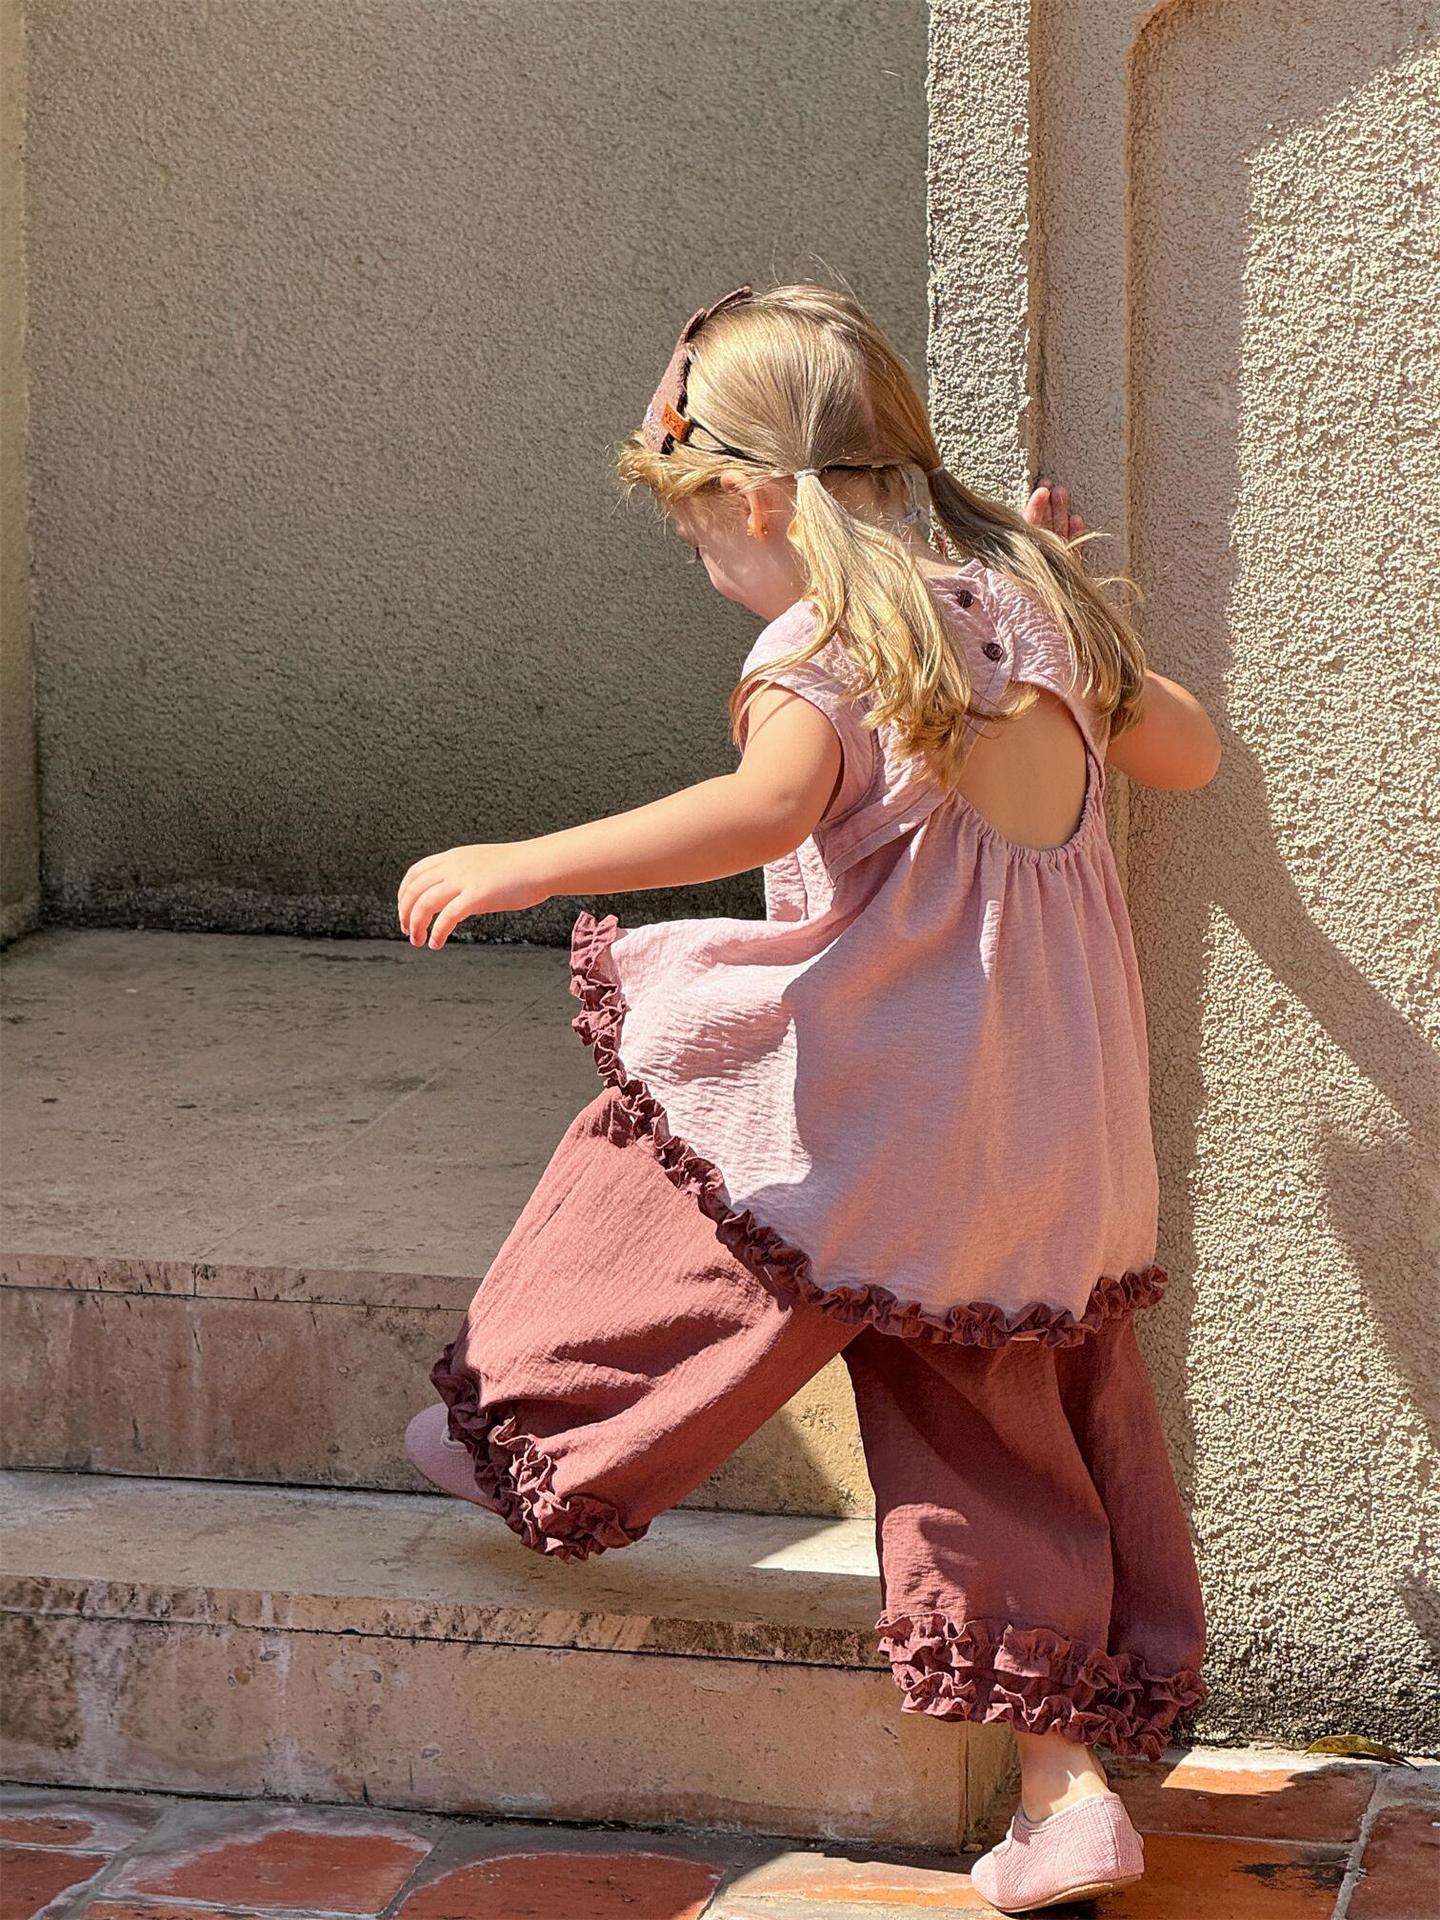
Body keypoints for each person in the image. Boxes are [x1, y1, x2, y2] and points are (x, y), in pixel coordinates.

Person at [397, 282, 1219, 1913]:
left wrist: (528, 860)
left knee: (662, 1182)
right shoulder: (1031, 606)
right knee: (990, 1416)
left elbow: (763, 807)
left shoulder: (825, 651)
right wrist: (1086, 622)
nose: (707, 563)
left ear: (759, 499)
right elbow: (1185, 755)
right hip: (1052, 1120)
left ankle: (536, 1439)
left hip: (885, 1097)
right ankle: (1061, 1789)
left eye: (699, 531)